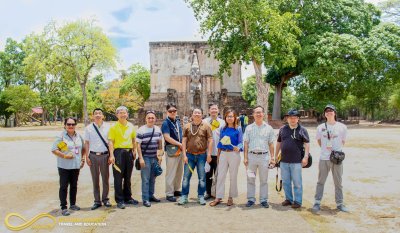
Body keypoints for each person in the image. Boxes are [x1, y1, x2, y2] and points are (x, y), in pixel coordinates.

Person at [312, 104, 349, 213]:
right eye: (327, 111)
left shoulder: (342, 127)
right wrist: (326, 149)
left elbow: (343, 141)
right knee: (320, 181)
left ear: (335, 113)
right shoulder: (320, 127)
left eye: (331, 110)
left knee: (338, 182)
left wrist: (335, 150)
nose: (329, 112)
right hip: (324, 158)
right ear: (325, 114)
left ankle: (340, 203)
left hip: (337, 158)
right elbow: (319, 141)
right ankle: (317, 202)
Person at [275, 109, 310, 209]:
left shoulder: (303, 130)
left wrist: (305, 157)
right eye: (291, 118)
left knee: (297, 182)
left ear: (298, 118)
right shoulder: (282, 129)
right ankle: (288, 199)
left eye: (295, 117)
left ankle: (298, 201)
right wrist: (275, 156)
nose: (293, 119)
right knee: (286, 181)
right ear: (287, 118)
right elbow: (278, 143)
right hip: (284, 161)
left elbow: (307, 144)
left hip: (297, 161)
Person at [51, 117, 86, 216]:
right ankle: (63, 207)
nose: (71, 126)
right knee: (63, 186)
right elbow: (54, 149)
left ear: (75, 125)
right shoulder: (61, 136)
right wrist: (65, 156)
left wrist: (83, 159)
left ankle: (73, 204)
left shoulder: (79, 136)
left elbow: (83, 148)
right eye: (68, 124)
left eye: (73, 124)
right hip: (64, 166)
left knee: (74, 186)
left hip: (75, 166)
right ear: (65, 125)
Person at [178, 108, 213, 205]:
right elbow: (184, 141)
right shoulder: (187, 126)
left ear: (202, 114)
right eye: (195, 113)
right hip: (189, 155)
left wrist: (209, 154)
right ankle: (184, 196)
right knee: (186, 177)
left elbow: (210, 140)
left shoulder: (206, 126)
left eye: (199, 113)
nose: (197, 114)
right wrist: (184, 155)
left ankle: (200, 196)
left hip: (202, 155)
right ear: (192, 115)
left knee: (202, 177)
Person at [243, 106, 275, 208]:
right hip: (251, 157)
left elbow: (271, 143)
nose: (258, 114)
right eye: (256, 112)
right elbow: (246, 144)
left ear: (263, 114)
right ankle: (251, 199)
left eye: (260, 112)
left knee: (264, 180)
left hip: (264, 157)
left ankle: (263, 199)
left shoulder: (268, 128)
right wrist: (245, 157)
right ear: (253, 114)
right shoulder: (249, 128)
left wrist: (272, 157)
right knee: (251, 179)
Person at [210, 110, 243, 207]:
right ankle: (218, 197)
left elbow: (241, 141)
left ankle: (230, 197)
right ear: (225, 118)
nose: (230, 118)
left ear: (235, 118)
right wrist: (219, 156)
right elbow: (220, 143)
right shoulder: (222, 129)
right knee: (220, 176)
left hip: (234, 154)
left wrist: (239, 147)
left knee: (233, 177)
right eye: (228, 116)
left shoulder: (238, 129)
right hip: (223, 154)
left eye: (231, 116)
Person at [108, 106, 139, 209]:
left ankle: (128, 197)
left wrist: (134, 151)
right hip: (118, 153)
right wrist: (111, 155)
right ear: (117, 115)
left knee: (128, 176)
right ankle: (119, 200)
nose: (122, 114)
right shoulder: (113, 127)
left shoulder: (131, 125)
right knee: (118, 177)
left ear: (127, 114)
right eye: (120, 113)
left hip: (129, 152)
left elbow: (134, 139)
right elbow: (111, 142)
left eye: (124, 112)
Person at [84, 108, 112, 210]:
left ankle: (105, 199)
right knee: (95, 179)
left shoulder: (108, 127)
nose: (98, 115)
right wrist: (86, 157)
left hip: (105, 155)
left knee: (105, 179)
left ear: (103, 115)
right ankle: (97, 201)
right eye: (96, 113)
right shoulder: (88, 128)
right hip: (93, 156)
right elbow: (86, 143)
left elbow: (110, 142)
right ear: (93, 116)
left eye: (100, 113)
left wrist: (111, 155)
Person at [136, 110, 164, 207]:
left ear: (155, 119)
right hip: (145, 157)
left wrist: (160, 156)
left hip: (155, 157)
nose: (151, 119)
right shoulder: (141, 130)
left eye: (152, 118)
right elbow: (138, 145)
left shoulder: (157, 129)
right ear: (146, 119)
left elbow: (160, 143)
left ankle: (151, 195)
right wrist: (140, 158)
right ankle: (145, 198)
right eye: (149, 118)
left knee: (153, 178)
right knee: (145, 179)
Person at [161, 104, 183, 202]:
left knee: (179, 171)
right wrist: (179, 144)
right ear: (167, 112)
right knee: (171, 172)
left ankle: (176, 189)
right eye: (170, 111)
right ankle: (169, 193)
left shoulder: (177, 121)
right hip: (172, 149)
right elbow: (167, 137)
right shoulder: (166, 123)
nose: (173, 112)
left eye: (174, 110)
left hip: (180, 149)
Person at [204, 103, 225, 199]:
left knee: (218, 174)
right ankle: (207, 192)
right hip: (207, 153)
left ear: (218, 110)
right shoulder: (204, 122)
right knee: (207, 173)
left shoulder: (223, 123)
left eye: (215, 109)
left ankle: (216, 192)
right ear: (209, 111)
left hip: (219, 153)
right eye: (212, 109)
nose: (214, 111)